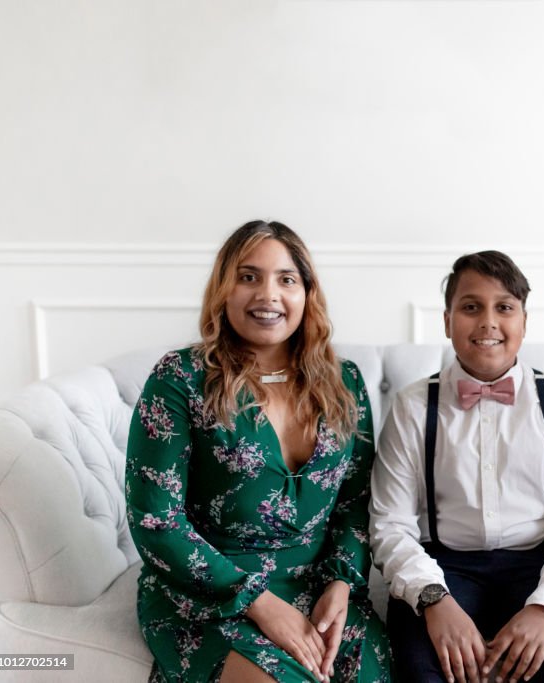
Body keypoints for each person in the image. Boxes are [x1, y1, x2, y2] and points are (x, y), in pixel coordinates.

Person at [126, 220, 390, 683]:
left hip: (317, 590)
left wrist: (342, 582)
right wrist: (259, 603)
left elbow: (355, 504)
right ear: (223, 289)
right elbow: (156, 520)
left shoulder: (344, 382)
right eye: (249, 277)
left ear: (307, 293)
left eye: (286, 279)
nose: (268, 294)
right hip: (208, 593)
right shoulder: (180, 379)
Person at [370, 251, 544, 683]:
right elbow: (390, 524)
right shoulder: (411, 407)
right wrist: (433, 600)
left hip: (536, 565)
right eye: (470, 307)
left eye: (504, 307)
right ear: (446, 321)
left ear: (523, 321)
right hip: (443, 567)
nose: (487, 322)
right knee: (425, 671)